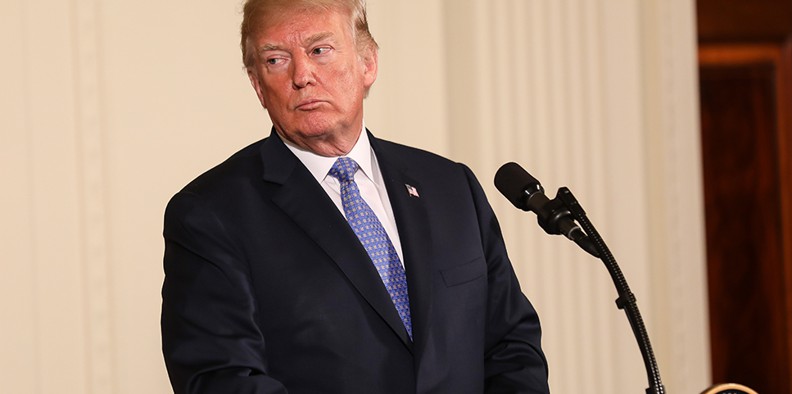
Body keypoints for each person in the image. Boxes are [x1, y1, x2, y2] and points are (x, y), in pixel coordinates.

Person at [160, 0, 549, 392]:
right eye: (276, 59)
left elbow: (510, 345)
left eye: (319, 50)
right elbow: (221, 379)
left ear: (368, 63)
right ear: (258, 85)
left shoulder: (450, 186)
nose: (302, 75)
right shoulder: (210, 214)